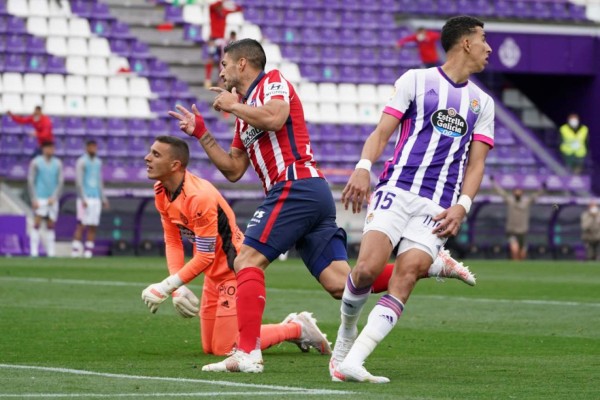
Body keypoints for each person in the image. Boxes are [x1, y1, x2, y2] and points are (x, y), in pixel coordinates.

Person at [168, 38, 475, 373]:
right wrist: (202, 134)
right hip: (304, 194)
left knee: (246, 260)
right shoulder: (244, 112)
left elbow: (275, 118)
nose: (222, 72)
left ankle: (248, 354)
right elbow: (233, 169)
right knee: (340, 284)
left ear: (243, 63)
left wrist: (232, 106)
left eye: (225, 64)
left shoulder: (272, 83)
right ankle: (430, 264)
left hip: (295, 185)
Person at [331, 16, 494, 383]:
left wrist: (462, 206)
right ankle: (345, 335)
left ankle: (353, 362)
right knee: (367, 269)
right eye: (483, 39)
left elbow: (477, 162)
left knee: (406, 274)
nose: (489, 47)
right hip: (396, 189)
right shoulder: (415, 81)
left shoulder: (483, 103)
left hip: (438, 205)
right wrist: (362, 167)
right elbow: (382, 132)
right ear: (465, 43)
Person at [140, 136, 331, 357]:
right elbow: (173, 241)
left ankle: (296, 328)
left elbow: (205, 256)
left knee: (226, 347)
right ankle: (291, 328)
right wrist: (177, 288)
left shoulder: (198, 197)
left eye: (155, 154)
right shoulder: (160, 191)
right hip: (213, 275)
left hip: (234, 270)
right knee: (209, 348)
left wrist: (166, 287)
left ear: (175, 165)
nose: (147, 158)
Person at [491, 177, 544, 261]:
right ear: (513, 192)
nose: (517, 192)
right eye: (516, 191)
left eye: (519, 191)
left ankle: (520, 267)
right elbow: (501, 192)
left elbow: (535, 196)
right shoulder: (510, 200)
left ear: (522, 193)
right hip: (512, 231)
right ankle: (515, 266)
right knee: (514, 250)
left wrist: (542, 188)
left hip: (523, 232)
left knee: (522, 253)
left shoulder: (526, 202)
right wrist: (493, 182)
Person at [71, 140, 109, 258]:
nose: (93, 149)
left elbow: (99, 181)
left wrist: (103, 198)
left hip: (96, 197)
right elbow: (79, 181)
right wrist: (82, 198)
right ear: (87, 148)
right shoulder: (81, 161)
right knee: (81, 224)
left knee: (93, 225)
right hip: (85, 197)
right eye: (91, 147)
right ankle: (75, 251)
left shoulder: (98, 162)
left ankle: (88, 252)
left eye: (95, 147)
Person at [28, 141, 63, 257]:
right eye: (48, 148)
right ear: (43, 149)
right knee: (37, 222)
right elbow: (31, 180)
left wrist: (55, 197)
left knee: (51, 224)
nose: (50, 150)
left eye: (52, 148)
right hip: (40, 197)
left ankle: (51, 252)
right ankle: (34, 251)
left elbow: (60, 181)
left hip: (52, 198)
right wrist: (34, 198)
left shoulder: (58, 163)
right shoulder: (36, 162)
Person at [205, 0, 242, 89]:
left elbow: (239, 9)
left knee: (222, 61)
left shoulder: (224, 12)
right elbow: (212, 5)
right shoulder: (212, 11)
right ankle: (208, 79)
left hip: (221, 40)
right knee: (210, 59)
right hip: (213, 39)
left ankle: (220, 81)